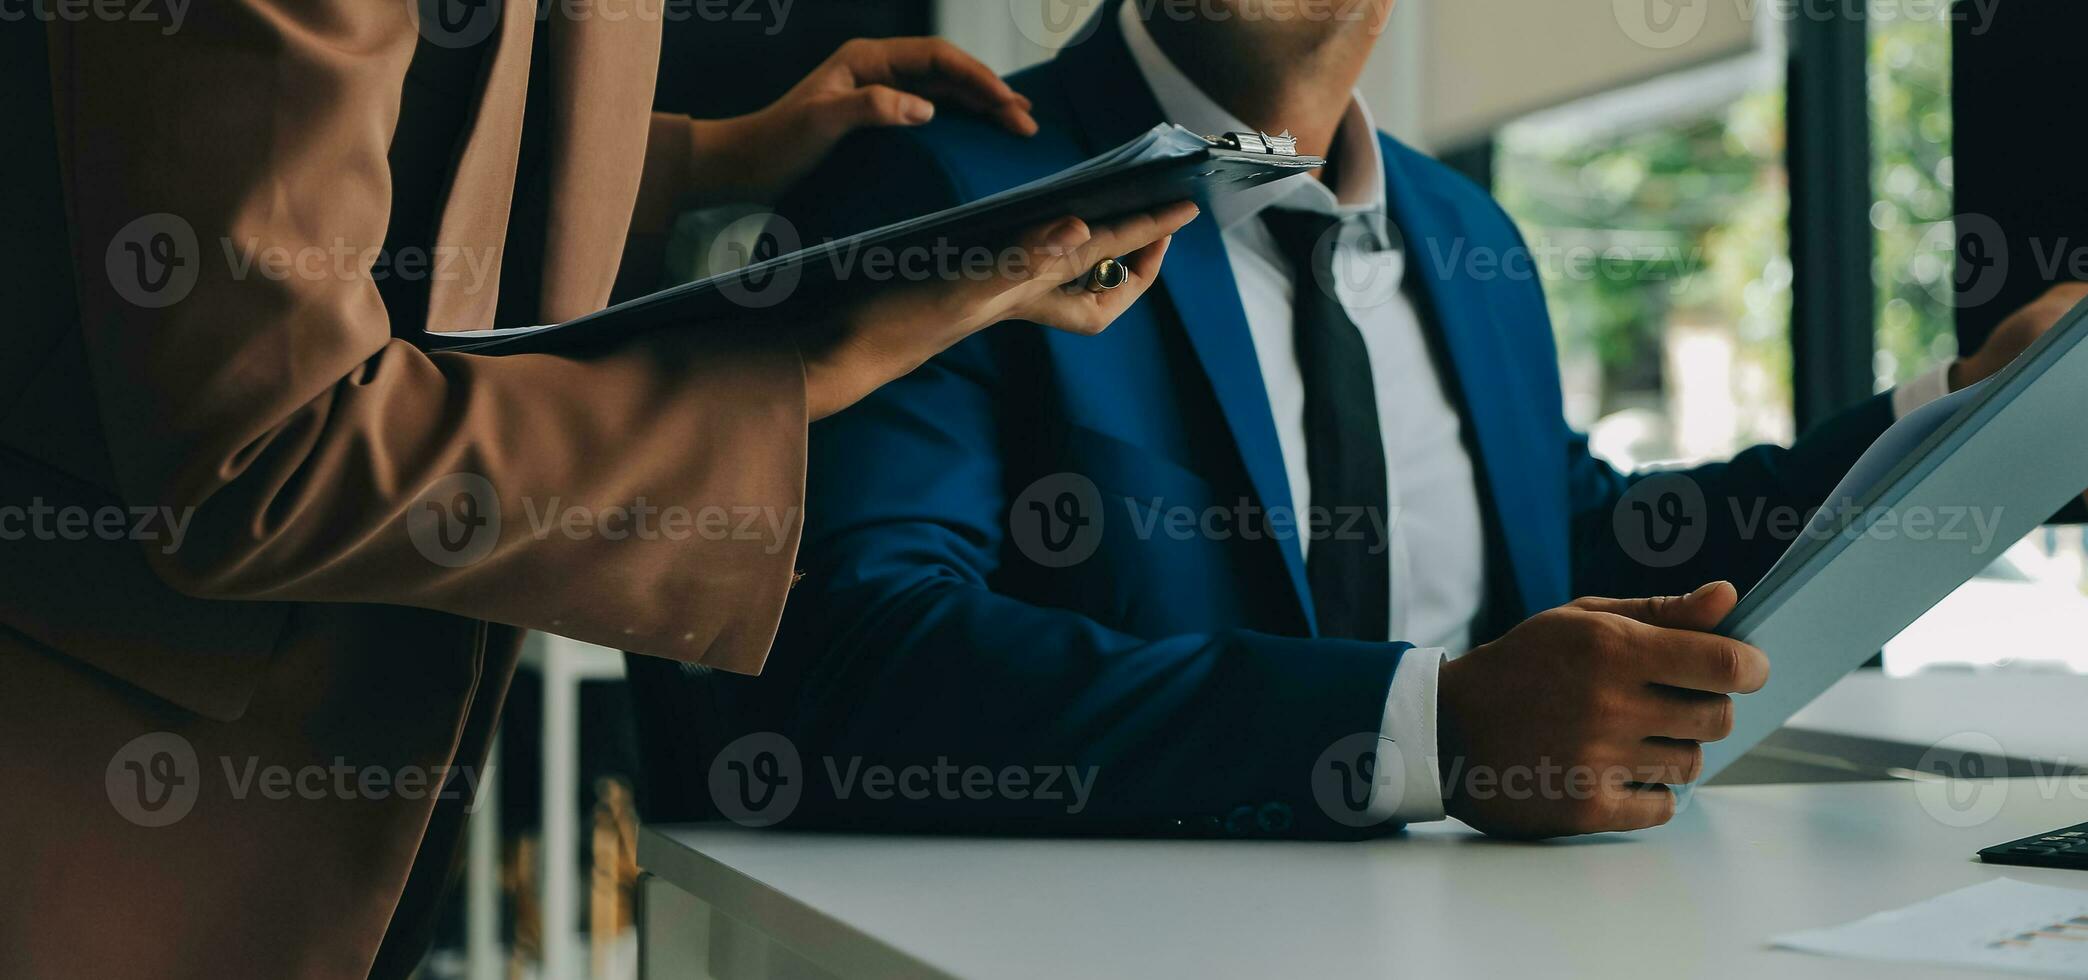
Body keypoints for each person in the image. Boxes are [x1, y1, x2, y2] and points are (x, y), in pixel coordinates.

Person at [645, 0, 2088, 842]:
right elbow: (851, 660)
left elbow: (1560, 541)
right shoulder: (944, 188)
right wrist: (1432, 730)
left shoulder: (1471, 237)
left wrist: (1946, 415)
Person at [1, 8, 1194, 979]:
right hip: (106, 802)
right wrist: (807, 379)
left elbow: (419, 119)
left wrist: (717, 156)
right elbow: (263, 454)